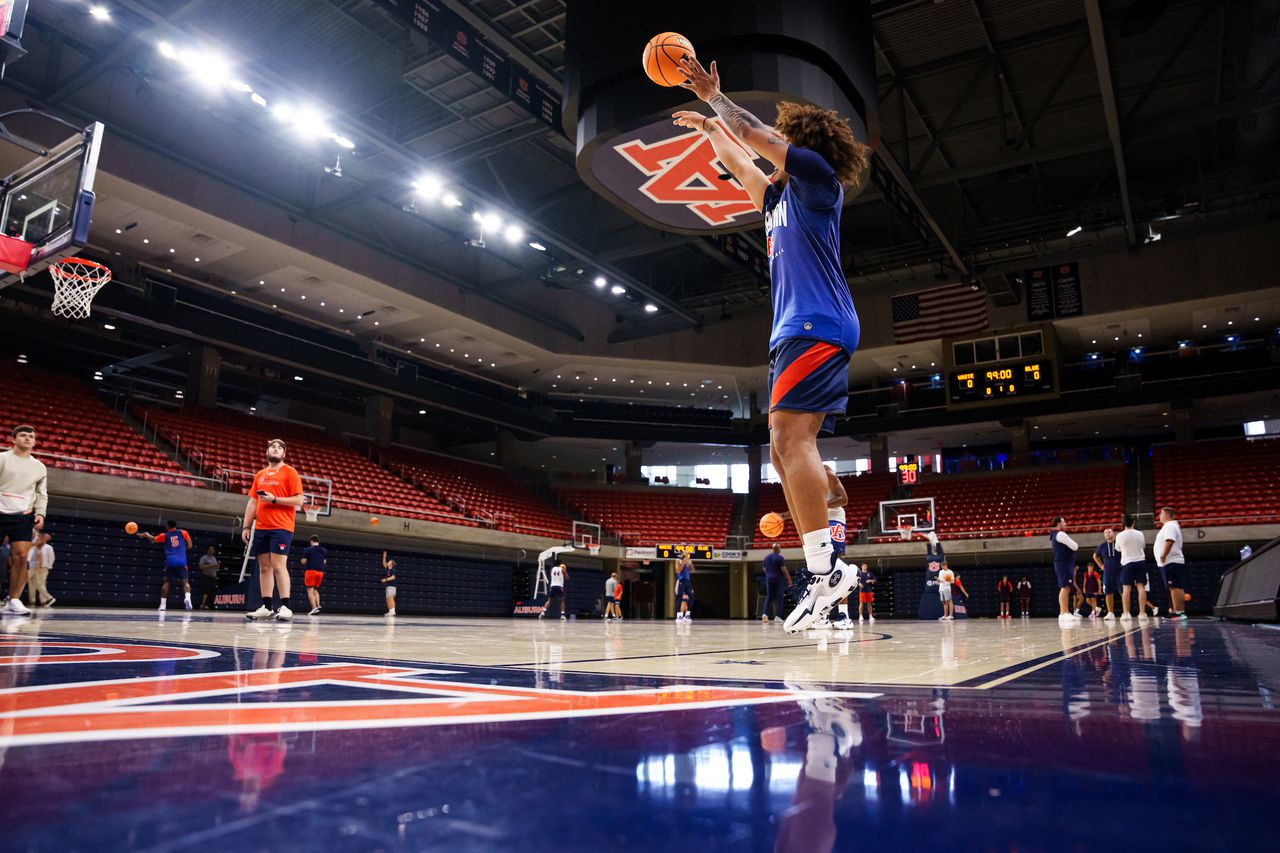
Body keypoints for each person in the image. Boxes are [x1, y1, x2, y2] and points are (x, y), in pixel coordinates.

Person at [675, 57, 870, 634]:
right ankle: (824, 559)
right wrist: (714, 133)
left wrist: (717, 98)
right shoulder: (778, 199)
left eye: (785, 140)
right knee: (783, 447)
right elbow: (744, 164)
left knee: (790, 436)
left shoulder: (816, 180)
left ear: (802, 144)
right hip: (794, 330)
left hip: (820, 323)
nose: (775, 146)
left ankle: (825, 570)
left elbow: (756, 137)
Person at [242, 439, 304, 622]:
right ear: (267, 452)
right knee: (264, 567)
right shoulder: (260, 475)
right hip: (261, 527)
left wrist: (275, 499)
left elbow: (299, 500)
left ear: (283, 454)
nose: (275, 449)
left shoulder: (290, 472)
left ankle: (285, 606)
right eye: (272, 447)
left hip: (281, 527)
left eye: (279, 448)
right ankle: (266, 607)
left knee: (278, 565)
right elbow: (253, 501)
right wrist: (246, 526)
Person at [0, 425, 48, 616]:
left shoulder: (39, 467)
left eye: (31, 436)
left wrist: (41, 513)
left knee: (21, 557)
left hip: (23, 515)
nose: (27, 438)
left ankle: (14, 600)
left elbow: (41, 493)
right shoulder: (2, 458)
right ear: (13, 439)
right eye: (23, 435)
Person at [139, 520, 193, 612]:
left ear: (168, 526)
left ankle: (163, 605)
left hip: (171, 561)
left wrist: (146, 534)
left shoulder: (165, 535)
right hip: (181, 561)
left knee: (166, 582)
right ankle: (188, 598)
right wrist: (181, 549)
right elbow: (190, 546)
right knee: (185, 582)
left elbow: (153, 539)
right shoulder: (184, 532)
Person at [1116, 513, 1150, 623]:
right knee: (1141, 587)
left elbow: (1118, 549)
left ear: (1123, 523)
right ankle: (1142, 613)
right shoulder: (1140, 534)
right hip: (1140, 562)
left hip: (1127, 563)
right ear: (1133, 522)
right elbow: (1143, 546)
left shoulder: (1120, 536)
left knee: (1126, 588)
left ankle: (1126, 613)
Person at [1155, 507, 1187, 619]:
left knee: (1173, 587)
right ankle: (1181, 612)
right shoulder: (1172, 526)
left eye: (1161, 513)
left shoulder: (1169, 526)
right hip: (1173, 561)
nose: (1159, 516)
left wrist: (1163, 555)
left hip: (1170, 561)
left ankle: (1177, 612)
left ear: (1167, 515)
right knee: (1177, 586)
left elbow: (1169, 541)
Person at [1050, 517, 1082, 626]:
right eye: (1064, 522)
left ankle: (1064, 612)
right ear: (1058, 523)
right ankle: (1063, 612)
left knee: (1066, 587)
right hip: (1063, 563)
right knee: (1065, 587)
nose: (1066, 524)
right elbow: (1075, 546)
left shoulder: (1056, 535)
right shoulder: (1060, 534)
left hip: (1063, 563)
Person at [1093, 528, 1121, 621]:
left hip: (1119, 571)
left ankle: (1126, 612)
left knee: (1123, 592)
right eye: (1105, 532)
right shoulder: (1102, 546)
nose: (1107, 533)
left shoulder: (1118, 543)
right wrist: (1101, 565)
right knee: (1108, 593)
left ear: (1113, 533)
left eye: (1109, 532)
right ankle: (1110, 613)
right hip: (1107, 573)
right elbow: (1095, 556)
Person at [761, 545, 791, 623]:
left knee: (769, 596)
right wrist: (789, 579)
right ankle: (777, 617)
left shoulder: (766, 557)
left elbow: (764, 569)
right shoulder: (779, 557)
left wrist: (769, 574)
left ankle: (765, 614)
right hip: (778, 579)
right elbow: (783, 569)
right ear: (778, 549)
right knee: (779, 598)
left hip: (769, 579)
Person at [25, 532, 55, 607]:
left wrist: (48, 567)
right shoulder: (35, 546)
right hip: (32, 567)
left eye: (47, 538)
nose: (45, 538)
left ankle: (43, 601)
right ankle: (32, 601)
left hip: (43, 567)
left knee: (41, 583)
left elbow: (51, 558)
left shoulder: (48, 547)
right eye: (44, 536)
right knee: (31, 583)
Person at [300, 536, 327, 616]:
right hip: (320, 573)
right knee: (315, 589)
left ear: (311, 541)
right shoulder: (324, 550)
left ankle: (314, 608)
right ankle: (318, 606)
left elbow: (303, 562)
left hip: (311, 571)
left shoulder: (308, 549)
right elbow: (324, 562)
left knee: (310, 590)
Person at [674, 553, 694, 622]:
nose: (686, 553)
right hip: (681, 581)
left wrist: (690, 564)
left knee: (691, 596)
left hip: (688, 581)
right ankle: (679, 615)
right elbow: (677, 570)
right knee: (679, 597)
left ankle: (687, 615)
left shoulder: (689, 560)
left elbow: (693, 570)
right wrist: (683, 563)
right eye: (685, 552)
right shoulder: (678, 560)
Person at [381, 551, 397, 617]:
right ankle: (390, 611)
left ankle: (393, 611)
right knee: (388, 599)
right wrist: (384, 557)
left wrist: (386, 579)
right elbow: (384, 564)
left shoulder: (393, 570)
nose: (388, 562)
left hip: (392, 586)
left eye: (389, 561)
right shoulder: (388, 569)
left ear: (392, 564)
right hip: (388, 586)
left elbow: (393, 577)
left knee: (391, 598)